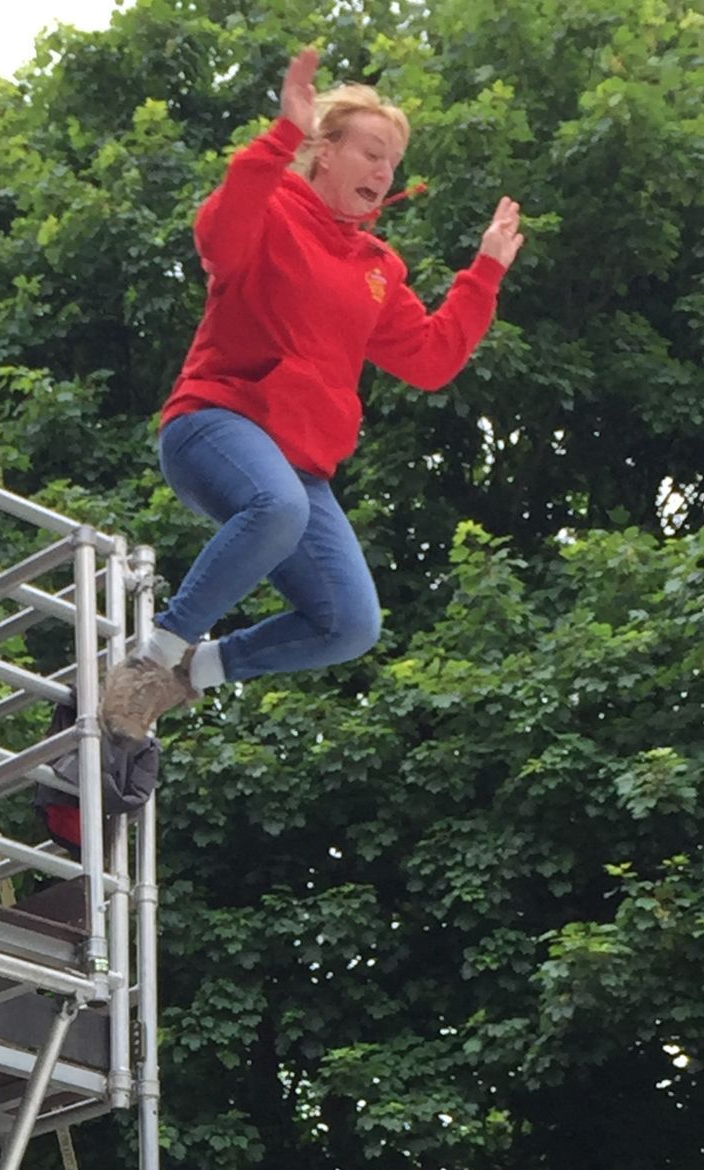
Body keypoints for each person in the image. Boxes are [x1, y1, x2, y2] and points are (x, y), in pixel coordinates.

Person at [101, 49, 524, 739]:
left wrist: (485, 271)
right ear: (324, 152)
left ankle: (190, 675)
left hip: (299, 467)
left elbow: (430, 359)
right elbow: (216, 235)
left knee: (350, 624)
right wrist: (282, 135)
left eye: (394, 162)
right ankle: (152, 657)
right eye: (372, 153)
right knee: (278, 507)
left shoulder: (377, 267)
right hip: (216, 419)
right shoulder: (272, 207)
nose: (385, 172)